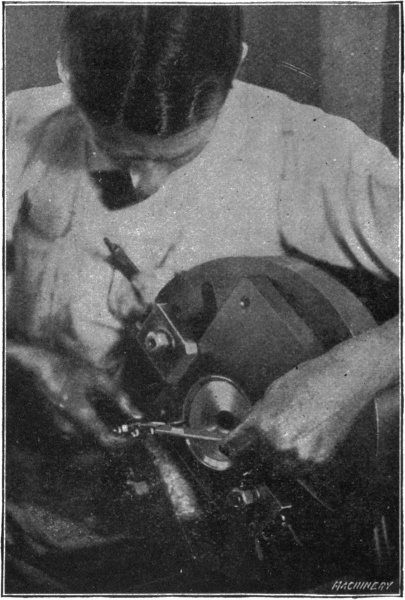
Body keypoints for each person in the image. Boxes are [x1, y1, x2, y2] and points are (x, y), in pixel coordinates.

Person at [6, 5, 399, 593]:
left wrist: (355, 371)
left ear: (235, 65)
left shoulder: (301, 147)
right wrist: (27, 361)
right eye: (116, 150)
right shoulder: (19, 127)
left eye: (177, 156)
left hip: (204, 545)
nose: (142, 183)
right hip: (33, 517)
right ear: (65, 67)